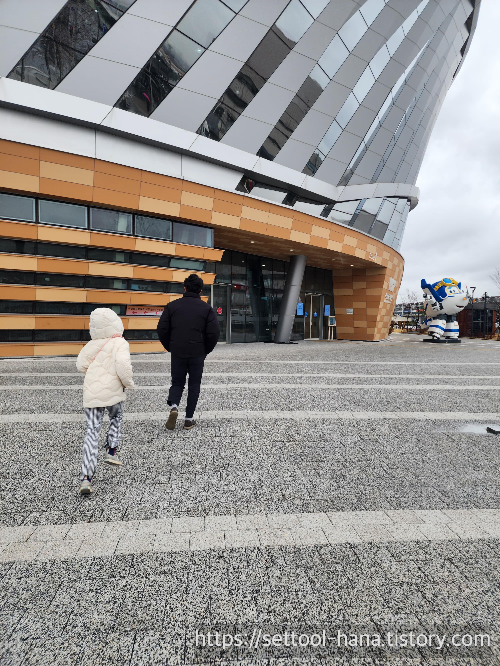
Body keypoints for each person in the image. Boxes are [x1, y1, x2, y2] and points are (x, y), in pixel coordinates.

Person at [76, 308, 134, 495]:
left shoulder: (90, 345)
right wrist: (129, 384)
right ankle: (111, 449)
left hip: (92, 394)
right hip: (113, 392)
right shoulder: (120, 342)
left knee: (92, 432)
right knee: (116, 417)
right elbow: (123, 366)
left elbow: (81, 365)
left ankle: (86, 478)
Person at [157, 274, 220, 430]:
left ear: (185, 288)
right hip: (198, 351)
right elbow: (214, 333)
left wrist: (170, 346)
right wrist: (205, 350)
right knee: (194, 385)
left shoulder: (172, 306)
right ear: (200, 290)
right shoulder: (207, 309)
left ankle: (174, 406)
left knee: (177, 382)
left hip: (177, 351)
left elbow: (162, 329)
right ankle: (188, 419)